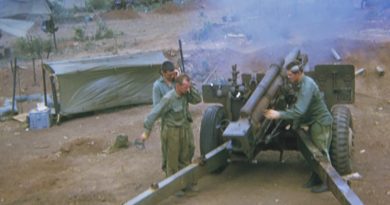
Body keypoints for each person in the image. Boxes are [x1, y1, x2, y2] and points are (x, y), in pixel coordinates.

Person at [264, 60, 333, 193]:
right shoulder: (298, 83)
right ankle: (316, 176)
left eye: (290, 75)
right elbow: (295, 105)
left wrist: (278, 114)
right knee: (307, 149)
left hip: (320, 122)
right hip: (312, 121)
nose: (288, 77)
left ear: (298, 73)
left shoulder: (307, 86)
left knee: (321, 152)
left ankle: (327, 182)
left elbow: (299, 111)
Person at [137, 73, 201, 181]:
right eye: (185, 87)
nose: (187, 90)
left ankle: (185, 183)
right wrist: (146, 131)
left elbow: (198, 99)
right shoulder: (169, 98)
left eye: (188, 87)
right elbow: (155, 113)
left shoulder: (186, 94)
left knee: (185, 157)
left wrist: (191, 87)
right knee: (172, 161)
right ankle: (174, 187)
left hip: (184, 129)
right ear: (178, 86)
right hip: (172, 132)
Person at [152, 61, 178, 174]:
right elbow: (157, 107)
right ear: (163, 73)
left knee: (185, 153)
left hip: (181, 122)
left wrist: (181, 79)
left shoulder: (177, 82)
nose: (172, 76)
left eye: (173, 73)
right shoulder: (157, 86)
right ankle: (172, 182)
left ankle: (185, 182)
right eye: (169, 74)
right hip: (169, 124)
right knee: (171, 154)